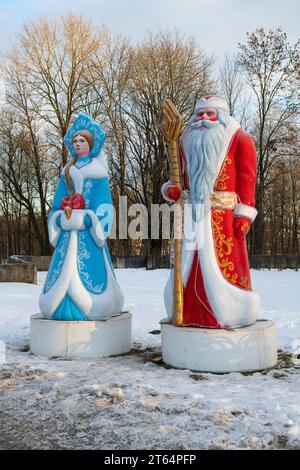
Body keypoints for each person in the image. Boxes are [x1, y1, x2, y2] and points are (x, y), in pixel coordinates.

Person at [162, 95, 260, 328]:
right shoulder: (184, 142)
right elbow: (177, 179)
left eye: (210, 114)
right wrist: (172, 190)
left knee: (223, 264)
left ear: (222, 117)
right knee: (188, 264)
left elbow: (247, 176)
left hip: (222, 219)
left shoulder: (240, 139)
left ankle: (229, 310)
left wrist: (244, 213)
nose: (204, 118)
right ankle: (187, 311)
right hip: (192, 218)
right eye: (200, 114)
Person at [39, 114, 124, 320]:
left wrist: (88, 219)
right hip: (67, 235)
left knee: (90, 274)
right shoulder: (66, 173)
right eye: (75, 141)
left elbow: (105, 206)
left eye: (82, 140)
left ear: (91, 144)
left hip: (88, 234)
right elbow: (56, 205)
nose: (78, 144)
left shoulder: (98, 173)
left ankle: (95, 302)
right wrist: (59, 218)